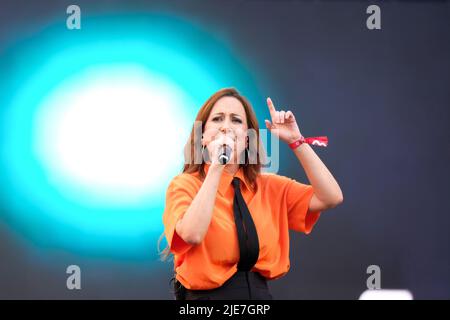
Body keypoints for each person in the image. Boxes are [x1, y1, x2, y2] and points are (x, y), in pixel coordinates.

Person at [160, 87, 343, 300]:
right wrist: (218, 165)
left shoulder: (269, 187)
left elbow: (331, 197)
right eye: (218, 119)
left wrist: (296, 140)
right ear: (202, 137)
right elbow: (192, 234)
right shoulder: (184, 185)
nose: (226, 127)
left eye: (236, 120)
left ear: (247, 140)